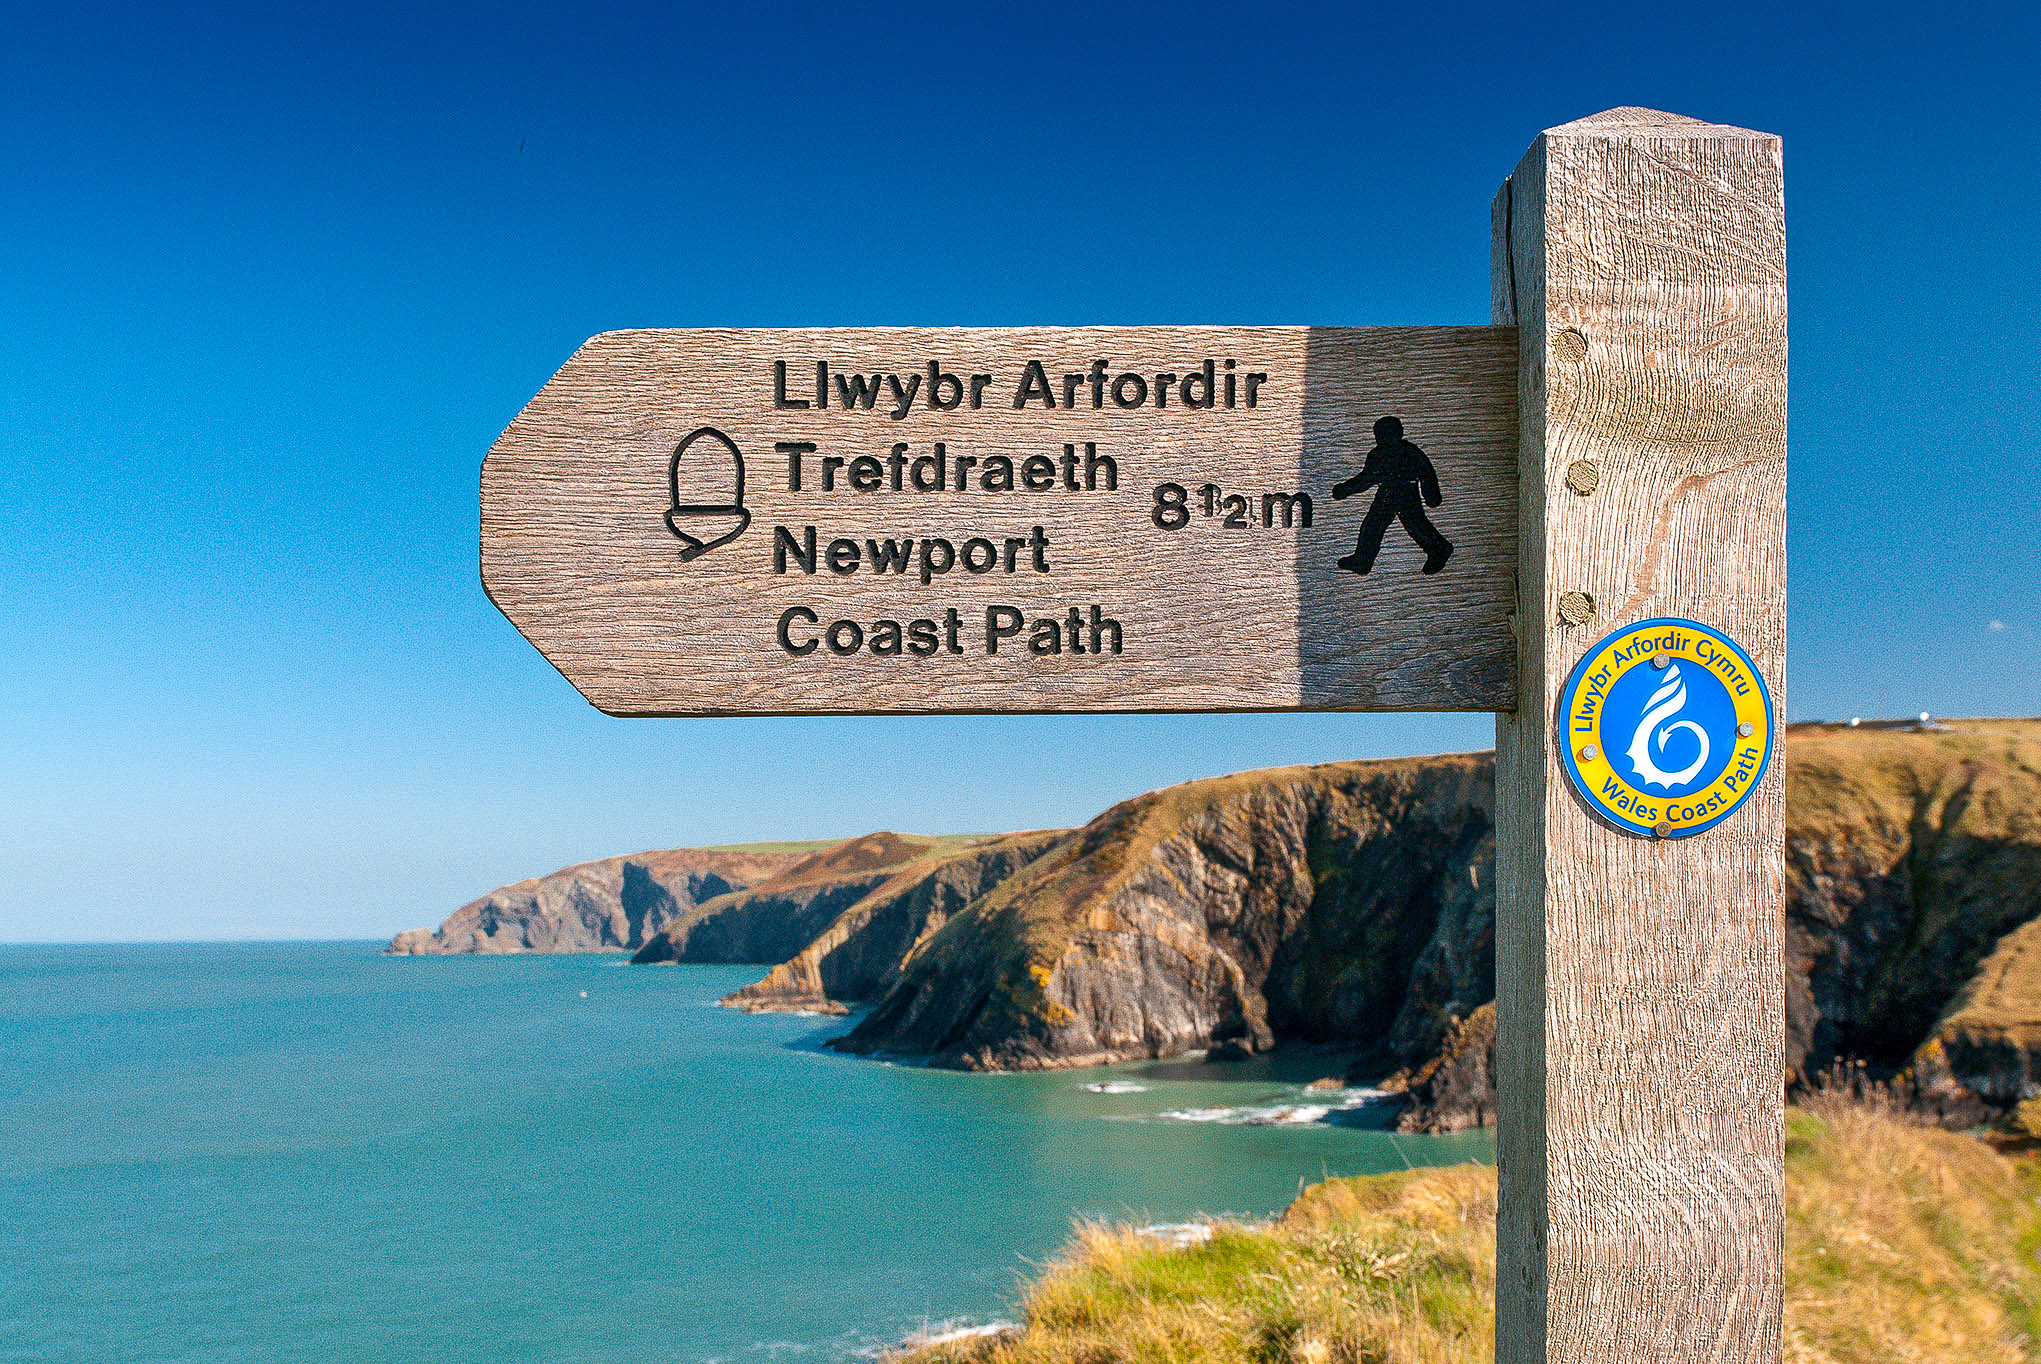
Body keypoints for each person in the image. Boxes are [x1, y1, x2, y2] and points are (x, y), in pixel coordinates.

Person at [1330, 415, 1453, 575]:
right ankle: (1363, 559)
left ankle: (1439, 548)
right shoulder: (1406, 451)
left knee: (1385, 525)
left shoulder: (1382, 454)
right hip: (1397, 492)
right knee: (1402, 524)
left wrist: (1344, 490)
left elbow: (1366, 480)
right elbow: (1426, 472)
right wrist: (1431, 495)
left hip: (1397, 493)